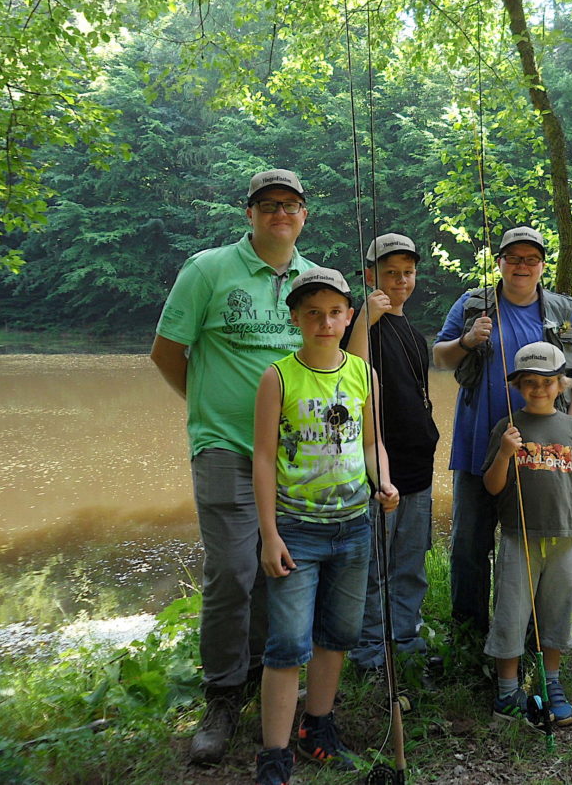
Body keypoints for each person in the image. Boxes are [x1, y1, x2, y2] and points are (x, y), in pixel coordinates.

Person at [150, 168, 315, 765]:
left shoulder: (310, 280)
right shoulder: (207, 270)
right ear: (249, 214)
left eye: (291, 205)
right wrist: (206, 410)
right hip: (224, 449)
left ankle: (274, 684)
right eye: (268, 204)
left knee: (282, 568)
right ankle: (222, 694)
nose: (280, 214)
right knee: (230, 573)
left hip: (297, 454)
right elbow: (167, 353)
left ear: (303, 215)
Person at [251, 266, 400, 785]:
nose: (324, 322)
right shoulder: (278, 377)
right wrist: (269, 534)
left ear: (348, 317)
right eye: (312, 313)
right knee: (287, 643)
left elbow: (369, 443)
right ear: (295, 318)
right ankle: (273, 753)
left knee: (336, 636)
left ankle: (317, 728)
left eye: (335, 312)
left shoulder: (364, 375)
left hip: (353, 528)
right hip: (297, 531)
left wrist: (384, 482)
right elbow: (265, 459)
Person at [433, 226, 572, 645]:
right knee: (470, 544)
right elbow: (439, 357)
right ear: (500, 263)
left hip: (541, 454)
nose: (521, 266)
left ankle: (530, 634)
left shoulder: (562, 311)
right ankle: (469, 635)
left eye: (530, 259)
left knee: (533, 544)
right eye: (513, 258)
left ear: (542, 265)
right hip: (478, 447)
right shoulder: (473, 305)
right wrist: (468, 340)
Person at [482, 343, 572, 727]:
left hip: (564, 538)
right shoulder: (508, 427)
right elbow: (492, 487)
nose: (538, 389)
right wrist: (503, 453)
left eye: (547, 382)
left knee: (558, 613)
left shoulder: (571, 428)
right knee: (511, 614)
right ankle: (506, 692)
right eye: (529, 382)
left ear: (561, 384)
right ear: (517, 385)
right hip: (519, 538)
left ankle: (552, 682)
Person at [343, 234, 441, 678]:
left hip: (418, 468)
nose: (401, 280)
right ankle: (368, 652)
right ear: (369, 276)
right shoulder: (359, 326)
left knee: (409, 564)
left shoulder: (412, 333)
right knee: (372, 567)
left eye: (408, 272)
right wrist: (365, 318)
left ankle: (406, 639)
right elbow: (351, 376)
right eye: (390, 272)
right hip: (380, 468)